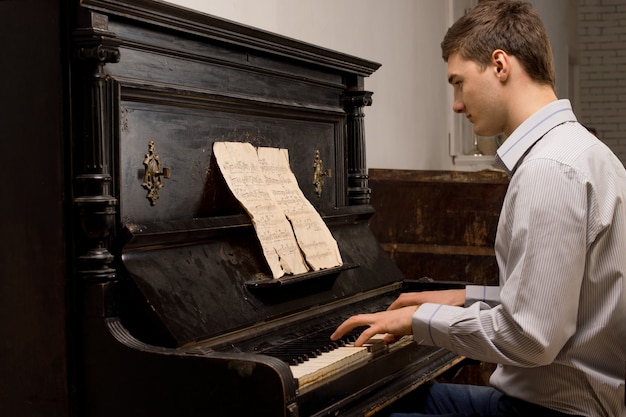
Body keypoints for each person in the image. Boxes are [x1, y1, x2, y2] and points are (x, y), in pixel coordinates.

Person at [331, 1, 626, 416]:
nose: (456, 103)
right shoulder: (583, 152)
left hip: (557, 408)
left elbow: (531, 338)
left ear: (500, 65)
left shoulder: (549, 168)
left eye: (458, 82)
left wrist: (418, 322)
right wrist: (466, 297)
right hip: (571, 398)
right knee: (395, 400)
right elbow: (557, 300)